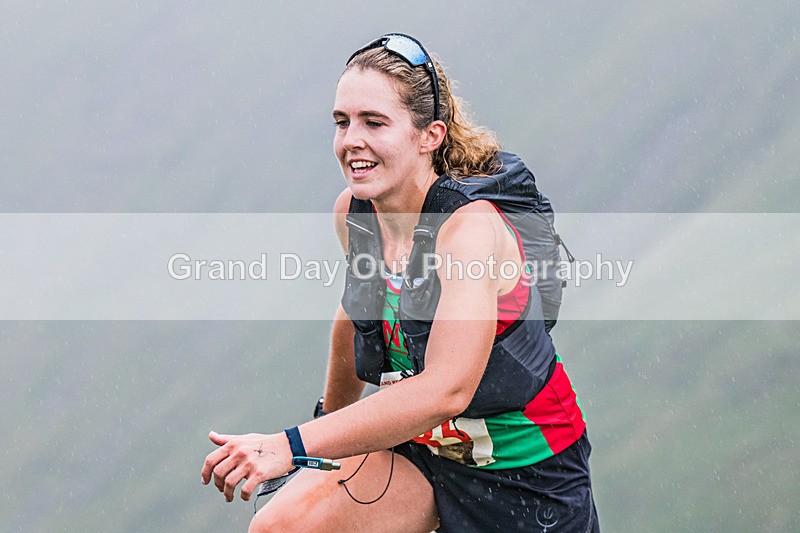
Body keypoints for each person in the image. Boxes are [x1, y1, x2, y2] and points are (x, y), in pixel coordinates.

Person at [201, 33, 599, 532]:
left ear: (430, 135)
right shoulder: (354, 213)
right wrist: (317, 448)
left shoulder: (469, 231)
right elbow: (353, 321)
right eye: (342, 123)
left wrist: (291, 444)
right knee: (280, 528)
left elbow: (447, 388)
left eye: (374, 122)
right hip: (423, 451)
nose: (351, 141)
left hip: (528, 474)